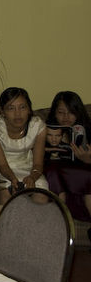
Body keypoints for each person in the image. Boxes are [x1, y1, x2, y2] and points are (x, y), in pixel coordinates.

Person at [0, 87, 49, 204]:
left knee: (42, 196)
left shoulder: (38, 126)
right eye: (11, 108)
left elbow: (38, 164)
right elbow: (2, 165)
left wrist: (32, 177)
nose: (18, 114)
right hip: (3, 171)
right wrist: (13, 179)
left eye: (22, 107)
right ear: (3, 112)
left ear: (29, 109)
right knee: (6, 196)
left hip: (29, 169)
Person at [44, 91, 91, 222]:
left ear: (78, 113)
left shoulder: (87, 131)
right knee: (52, 172)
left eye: (71, 112)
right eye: (61, 112)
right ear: (54, 113)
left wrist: (88, 160)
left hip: (80, 177)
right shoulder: (46, 130)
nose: (66, 117)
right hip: (56, 175)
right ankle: (58, 222)